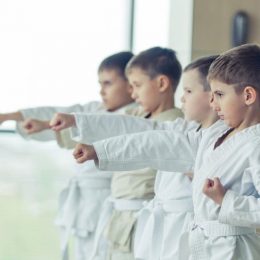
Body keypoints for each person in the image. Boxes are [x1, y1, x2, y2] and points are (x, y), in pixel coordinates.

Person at [68, 44, 260, 260]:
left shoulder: (255, 144)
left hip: (234, 249)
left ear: (248, 95)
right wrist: (101, 149)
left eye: (219, 94)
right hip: (202, 243)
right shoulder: (214, 134)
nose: (213, 102)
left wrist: (226, 201)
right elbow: (159, 142)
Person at [50, 47, 183, 260]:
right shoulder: (138, 115)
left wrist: (95, 148)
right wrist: (77, 123)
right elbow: (114, 124)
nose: (133, 93)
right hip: (120, 215)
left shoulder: (174, 124)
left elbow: (135, 144)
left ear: (161, 84)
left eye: (137, 85)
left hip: (142, 214)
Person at [0, 51, 136, 260]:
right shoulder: (95, 108)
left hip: (111, 201)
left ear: (130, 85)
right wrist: (11, 116)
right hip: (85, 203)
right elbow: (59, 112)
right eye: (100, 84)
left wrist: (47, 124)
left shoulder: (135, 116)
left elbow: (89, 127)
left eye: (108, 83)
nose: (101, 91)